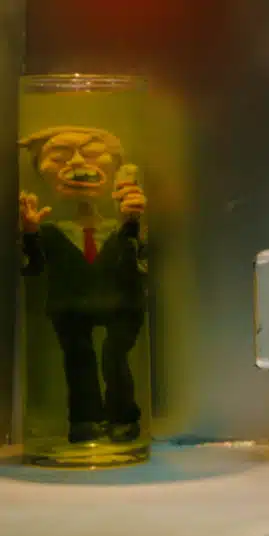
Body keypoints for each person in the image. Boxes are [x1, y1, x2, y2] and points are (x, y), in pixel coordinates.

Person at [18, 126, 148, 445]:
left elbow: (141, 262)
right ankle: (85, 419)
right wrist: (30, 233)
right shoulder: (51, 230)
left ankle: (123, 417)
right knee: (78, 359)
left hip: (120, 303)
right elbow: (34, 268)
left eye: (91, 153)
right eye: (60, 156)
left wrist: (133, 225)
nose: (77, 163)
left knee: (115, 356)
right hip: (69, 305)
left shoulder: (122, 225)